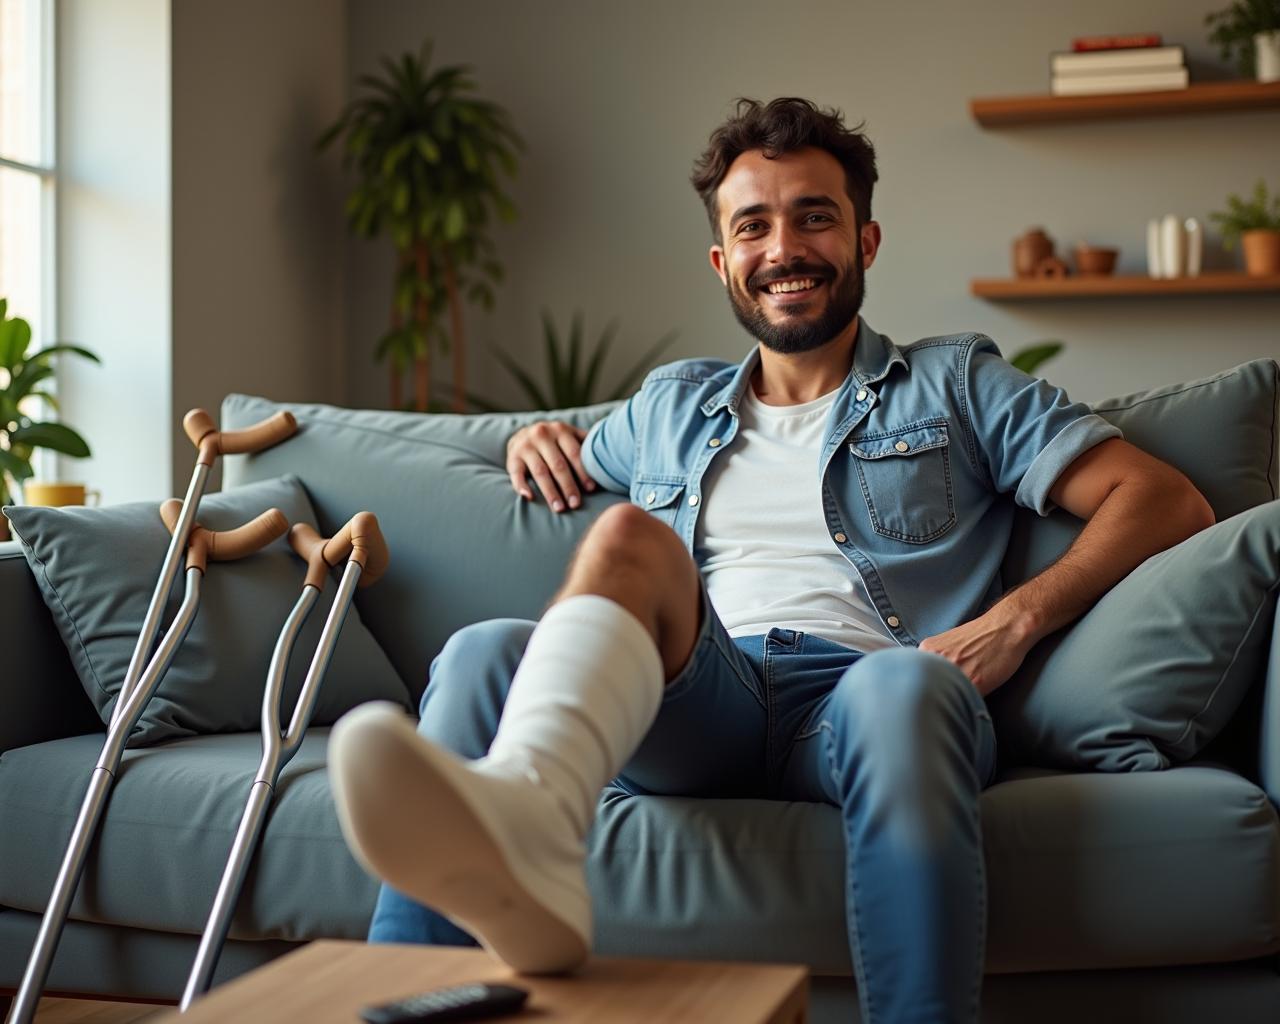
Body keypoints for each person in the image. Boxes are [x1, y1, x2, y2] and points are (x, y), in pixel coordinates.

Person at [329, 97, 1214, 1023]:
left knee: (905, 687)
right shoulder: (668, 404)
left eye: (814, 217)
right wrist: (532, 440)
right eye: (754, 226)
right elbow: (571, 456)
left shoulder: (955, 382)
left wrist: (1013, 620)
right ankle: (471, 905)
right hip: (701, 697)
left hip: (865, 700)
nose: (784, 248)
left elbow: (1163, 499)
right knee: (487, 649)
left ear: (866, 241)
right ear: (724, 262)